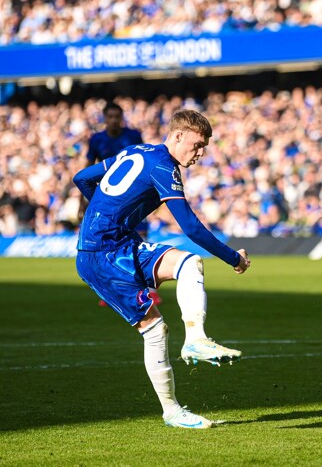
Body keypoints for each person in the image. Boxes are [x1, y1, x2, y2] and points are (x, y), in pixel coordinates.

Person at [73, 109, 250, 429]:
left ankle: (195, 339)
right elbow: (192, 230)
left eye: (205, 147)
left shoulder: (137, 151)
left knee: (188, 262)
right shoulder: (163, 165)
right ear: (178, 135)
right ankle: (172, 410)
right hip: (101, 257)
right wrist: (233, 259)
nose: (200, 153)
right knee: (155, 330)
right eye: (197, 144)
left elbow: (82, 178)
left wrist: (105, 214)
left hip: (118, 245)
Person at [80, 102, 162, 306]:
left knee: (140, 241)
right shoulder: (97, 139)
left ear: (122, 117)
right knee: (109, 245)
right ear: (105, 118)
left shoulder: (133, 136)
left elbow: (145, 160)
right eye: (110, 116)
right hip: (107, 199)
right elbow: (87, 168)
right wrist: (84, 201)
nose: (114, 120)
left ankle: (149, 291)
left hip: (133, 198)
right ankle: (113, 290)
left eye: (117, 116)